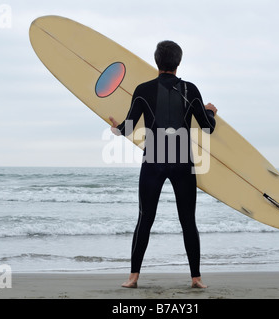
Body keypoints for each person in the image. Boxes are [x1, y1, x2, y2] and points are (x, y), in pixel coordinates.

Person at [109, 40, 217, 289]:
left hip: (153, 161)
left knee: (144, 218)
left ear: (157, 61)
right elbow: (208, 128)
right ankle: (196, 278)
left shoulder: (143, 89)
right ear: (178, 63)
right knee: (188, 220)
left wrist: (116, 129)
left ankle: (133, 277)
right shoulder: (191, 90)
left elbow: (127, 127)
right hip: (182, 162)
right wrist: (210, 111)